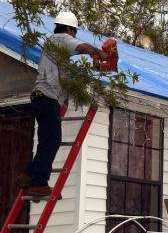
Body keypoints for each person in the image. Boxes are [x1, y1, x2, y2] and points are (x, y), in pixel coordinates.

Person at [16, 11, 108, 197]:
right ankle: (39, 184)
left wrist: (93, 63)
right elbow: (81, 46)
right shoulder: (61, 38)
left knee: (46, 142)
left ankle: (28, 175)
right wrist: (100, 53)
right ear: (69, 29)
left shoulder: (56, 50)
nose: (74, 36)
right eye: (74, 32)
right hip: (47, 98)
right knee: (53, 141)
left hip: (43, 98)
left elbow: (67, 76)